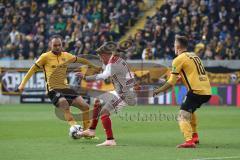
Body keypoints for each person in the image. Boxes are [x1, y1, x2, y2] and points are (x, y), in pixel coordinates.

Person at [18, 35, 101, 134]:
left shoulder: (66, 56)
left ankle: (87, 133)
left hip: (65, 87)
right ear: (50, 45)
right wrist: (22, 84)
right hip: (53, 89)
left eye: (59, 45)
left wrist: (93, 66)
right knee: (64, 104)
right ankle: (74, 127)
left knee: (85, 106)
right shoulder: (45, 57)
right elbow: (32, 70)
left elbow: (80, 59)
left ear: (62, 45)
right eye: (55, 45)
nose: (57, 47)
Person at [153, 35, 211, 148]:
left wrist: (159, 90)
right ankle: (194, 136)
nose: (173, 47)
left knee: (182, 115)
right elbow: (192, 73)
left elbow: (171, 82)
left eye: (174, 44)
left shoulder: (178, 59)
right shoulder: (194, 55)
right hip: (206, 90)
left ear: (178, 46)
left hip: (196, 91)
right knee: (190, 111)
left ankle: (189, 141)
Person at [78, 41, 137, 146]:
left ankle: (110, 140)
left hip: (124, 94)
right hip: (120, 91)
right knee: (98, 102)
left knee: (104, 113)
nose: (100, 59)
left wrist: (85, 77)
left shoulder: (112, 63)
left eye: (100, 56)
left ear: (105, 55)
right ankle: (91, 130)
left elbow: (103, 76)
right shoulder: (117, 60)